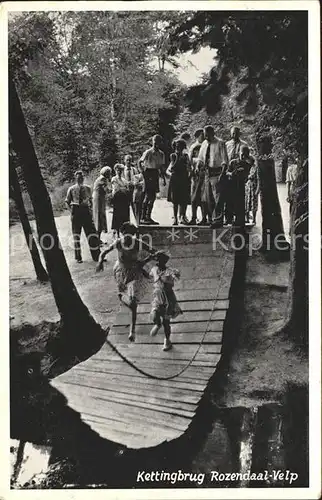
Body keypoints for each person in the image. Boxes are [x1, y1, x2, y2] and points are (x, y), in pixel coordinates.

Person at [96, 222, 156, 341]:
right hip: (120, 271)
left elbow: (154, 251)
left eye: (130, 235)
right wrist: (99, 262)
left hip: (134, 271)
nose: (127, 237)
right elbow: (104, 252)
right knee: (123, 295)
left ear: (133, 235)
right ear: (122, 234)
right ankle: (124, 300)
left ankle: (132, 330)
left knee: (133, 302)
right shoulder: (118, 242)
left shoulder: (137, 243)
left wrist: (144, 262)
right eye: (124, 234)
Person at [149, 251, 182, 352]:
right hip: (158, 296)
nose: (158, 262)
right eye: (157, 260)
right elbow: (150, 276)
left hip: (168, 298)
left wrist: (163, 279)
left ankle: (167, 341)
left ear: (164, 261)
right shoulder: (154, 269)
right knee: (154, 314)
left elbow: (173, 281)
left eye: (160, 261)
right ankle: (157, 324)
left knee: (166, 322)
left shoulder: (170, 271)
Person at [65, 171, 100, 263]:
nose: (80, 179)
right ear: (75, 178)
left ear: (83, 178)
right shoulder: (71, 189)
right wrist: (71, 211)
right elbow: (67, 202)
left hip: (85, 211)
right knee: (76, 235)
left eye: (81, 177)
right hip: (76, 211)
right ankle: (78, 257)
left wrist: (91, 210)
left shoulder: (88, 188)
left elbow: (91, 200)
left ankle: (97, 256)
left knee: (92, 234)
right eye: (78, 178)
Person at [197, 125, 229, 227]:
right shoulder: (204, 144)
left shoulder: (220, 143)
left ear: (212, 133)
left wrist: (222, 174)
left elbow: (225, 160)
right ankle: (211, 219)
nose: (206, 137)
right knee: (209, 198)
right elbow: (201, 158)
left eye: (207, 134)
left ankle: (218, 220)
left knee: (218, 198)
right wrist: (198, 166)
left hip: (217, 172)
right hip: (207, 172)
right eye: (205, 135)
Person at [139, 135, 166, 225]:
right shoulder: (148, 152)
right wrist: (143, 172)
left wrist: (163, 178)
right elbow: (140, 162)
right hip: (148, 173)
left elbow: (161, 167)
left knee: (153, 197)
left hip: (155, 173)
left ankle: (148, 216)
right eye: (154, 141)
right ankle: (142, 217)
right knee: (148, 195)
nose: (156, 143)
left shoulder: (161, 154)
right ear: (152, 141)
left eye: (157, 141)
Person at [167, 139, 191, 225]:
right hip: (175, 179)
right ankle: (175, 218)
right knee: (175, 200)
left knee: (184, 199)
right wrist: (178, 157)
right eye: (177, 146)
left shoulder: (186, 156)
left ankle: (182, 216)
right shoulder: (173, 156)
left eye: (180, 147)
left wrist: (189, 175)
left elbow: (189, 167)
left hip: (184, 179)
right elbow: (170, 168)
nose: (178, 148)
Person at [188, 128, 205, 225]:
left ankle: (204, 218)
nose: (204, 137)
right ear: (198, 136)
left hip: (204, 173)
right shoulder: (194, 147)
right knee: (194, 196)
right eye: (202, 135)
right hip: (195, 175)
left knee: (204, 197)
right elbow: (189, 161)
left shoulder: (206, 145)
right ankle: (193, 217)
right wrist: (191, 171)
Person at [92, 166, 112, 242]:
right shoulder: (103, 179)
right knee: (99, 217)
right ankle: (97, 238)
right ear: (106, 173)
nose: (110, 174)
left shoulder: (101, 178)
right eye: (109, 173)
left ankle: (98, 237)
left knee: (100, 217)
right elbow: (106, 190)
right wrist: (114, 190)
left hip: (99, 198)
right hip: (98, 199)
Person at [111, 164, 130, 237]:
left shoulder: (124, 180)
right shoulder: (114, 179)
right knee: (117, 215)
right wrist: (123, 188)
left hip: (124, 199)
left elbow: (127, 189)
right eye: (117, 170)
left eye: (120, 170)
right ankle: (117, 232)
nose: (119, 172)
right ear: (115, 170)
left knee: (124, 215)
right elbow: (116, 189)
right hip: (117, 199)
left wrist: (123, 189)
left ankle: (124, 232)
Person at [245, 156, 260, 224]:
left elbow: (259, 179)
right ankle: (247, 218)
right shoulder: (246, 167)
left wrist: (257, 189)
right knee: (247, 203)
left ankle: (254, 219)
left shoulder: (256, 168)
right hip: (247, 187)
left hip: (254, 186)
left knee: (254, 203)